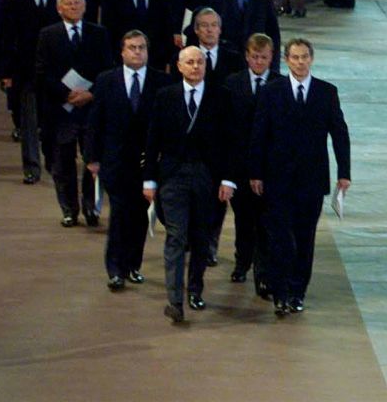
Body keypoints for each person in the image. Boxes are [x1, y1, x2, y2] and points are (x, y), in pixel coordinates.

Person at [249, 38, 350, 315]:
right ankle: (280, 292)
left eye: (305, 57)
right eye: (295, 57)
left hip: (311, 180)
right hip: (277, 179)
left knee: (305, 239)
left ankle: (297, 292)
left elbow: (339, 133)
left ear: (312, 59)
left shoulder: (326, 92)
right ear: (286, 60)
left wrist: (344, 173)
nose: (300, 62)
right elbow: (259, 134)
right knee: (281, 238)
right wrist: (255, 172)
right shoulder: (272, 92)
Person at [142, 45, 231, 322]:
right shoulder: (165, 97)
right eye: (190, 62)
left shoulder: (221, 97)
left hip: (208, 178)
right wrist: (149, 179)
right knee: (176, 236)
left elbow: (232, 142)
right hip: (173, 176)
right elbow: (152, 139)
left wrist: (228, 179)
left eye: (200, 62)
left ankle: (195, 289)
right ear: (179, 66)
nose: (195, 67)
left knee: (201, 237)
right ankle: (175, 300)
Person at [87, 30, 169, 290]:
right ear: (122, 51)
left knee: (141, 217)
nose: (137, 52)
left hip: (147, 163)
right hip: (116, 161)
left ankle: (133, 265)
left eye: (142, 47)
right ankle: (115, 269)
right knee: (120, 215)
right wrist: (92, 157)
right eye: (132, 47)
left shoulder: (161, 81)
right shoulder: (106, 80)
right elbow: (95, 121)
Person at [35, 0, 114, 226]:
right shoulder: (48, 35)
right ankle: (69, 209)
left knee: (93, 161)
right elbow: (41, 72)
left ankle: (91, 208)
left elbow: (107, 69)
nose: (74, 7)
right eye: (68, 4)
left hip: (91, 108)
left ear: (85, 6)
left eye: (78, 3)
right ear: (59, 8)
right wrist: (66, 94)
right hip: (61, 109)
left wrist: (90, 94)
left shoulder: (98, 34)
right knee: (63, 162)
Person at [221, 32, 280, 298]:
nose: (259, 62)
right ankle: (242, 261)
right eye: (254, 57)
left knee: (265, 223)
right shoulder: (232, 83)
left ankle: (263, 274)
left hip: (270, 168)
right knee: (244, 220)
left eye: (264, 57)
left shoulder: (280, 84)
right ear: (246, 56)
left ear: (271, 57)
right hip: (240, 165)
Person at [3, 0, 61, 183]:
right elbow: (8, 39)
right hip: (26, 71)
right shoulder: (16, 1)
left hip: (55, 72)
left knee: (52, 122)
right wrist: (6, 73)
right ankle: (31, 167)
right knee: (29, 122)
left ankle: (52, 163)